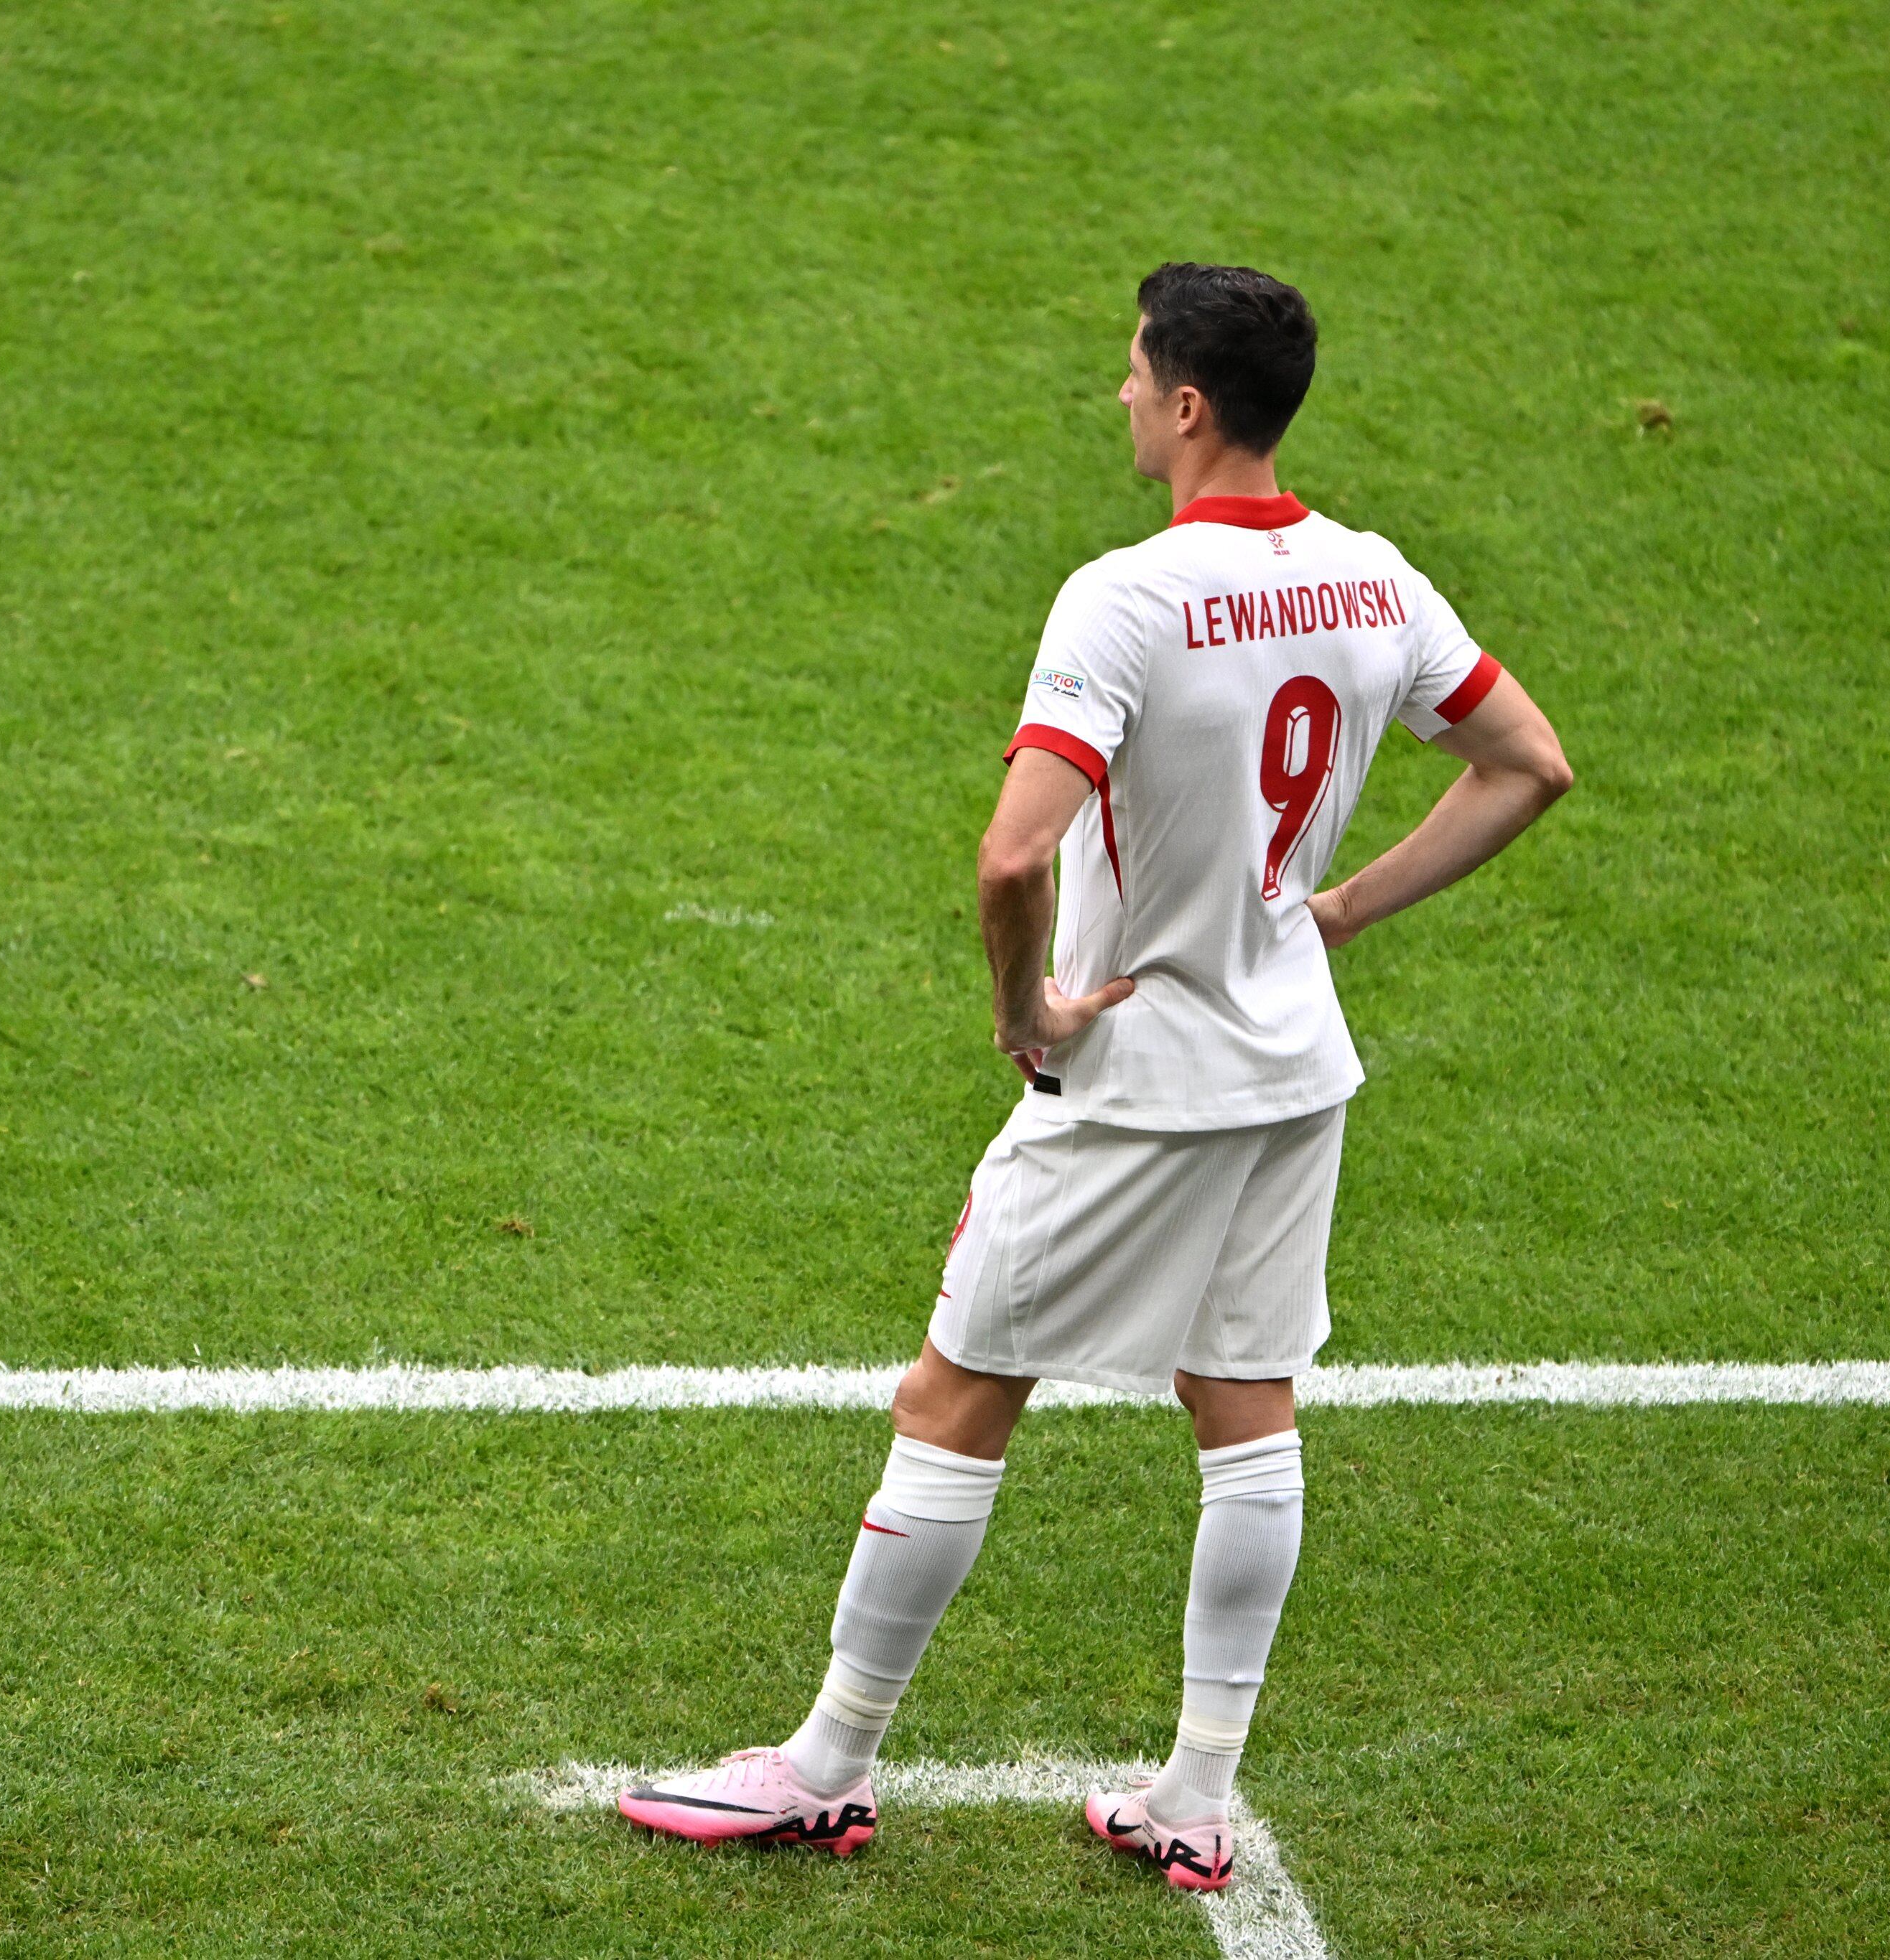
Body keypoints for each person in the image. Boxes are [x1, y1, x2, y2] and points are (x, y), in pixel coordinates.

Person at [617, 262, 1573, 1890]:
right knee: (1243, 1409)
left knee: (954, 1394)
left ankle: (824, 1766)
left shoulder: (1124, 597)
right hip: (1292, 1076)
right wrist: (1329, 911)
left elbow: (1010, 861)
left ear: (1188, 403)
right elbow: (1526, 766)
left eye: (1132, 375)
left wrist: (1031, 1009)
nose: (1119, 396)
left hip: (1134, 1087)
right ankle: (1197, 1794)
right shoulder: (1373, 580)